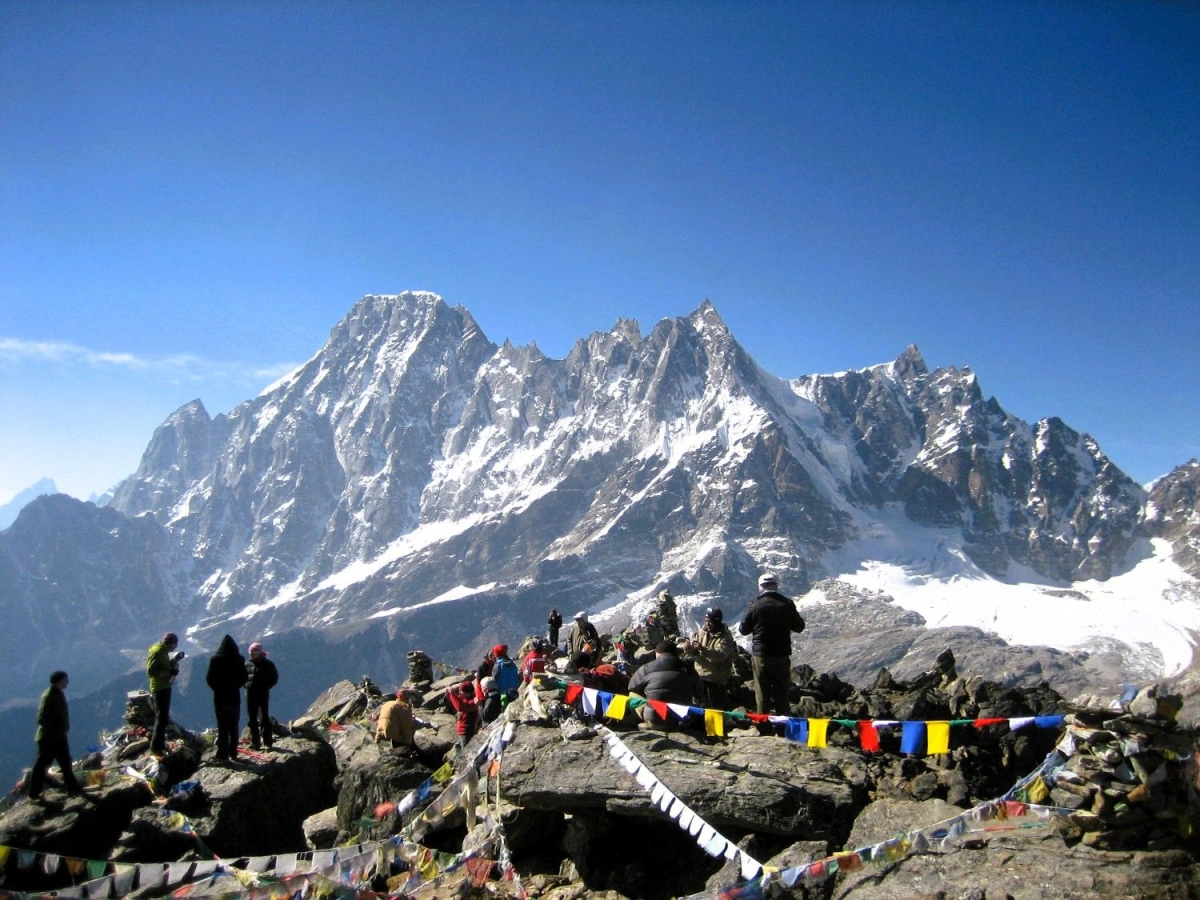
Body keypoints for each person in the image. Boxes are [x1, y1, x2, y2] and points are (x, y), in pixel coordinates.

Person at [739, 574, 805, 715]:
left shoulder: (754, 605)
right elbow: (799, 627)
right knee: (782, 692)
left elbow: (743, 630)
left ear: (760, 587)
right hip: (781, 655)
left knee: (762, 693)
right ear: (776, 586)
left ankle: (763, 724)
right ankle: (783, 723)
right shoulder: (786, 604)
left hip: (761, 656)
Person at [28, 671, 82, 799]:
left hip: (58, 736)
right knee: (43, 765)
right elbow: (41, 719)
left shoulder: (57, 693)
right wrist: (55, 730)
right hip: (49, 738)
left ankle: (73, 788)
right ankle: (34, 793)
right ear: (59, 681)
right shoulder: (48, 696)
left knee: (65, 762)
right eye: (65, 680)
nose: (67, 682)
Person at [627, 640, 700, 730]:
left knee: (632, 694)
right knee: (695, 697)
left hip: (655, 720)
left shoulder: (647, 668)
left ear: (658, 653)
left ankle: (646, 721)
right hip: (681, 721)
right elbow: (699, 690)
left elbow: (631, 687)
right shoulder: (688, 668)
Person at [206, 634, 248, 761]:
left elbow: (209, 679)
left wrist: (217, 688)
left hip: (220, 698)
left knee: (222, 726)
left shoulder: (215, 660)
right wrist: (235, 686)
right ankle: (233, 752)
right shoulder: (239, 659)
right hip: (234, 697)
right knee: (234, 726)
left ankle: (222, 753)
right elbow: (244, 677)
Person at [685, 607, 736, 710]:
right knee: (698, 707)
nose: (707, 624)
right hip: (699, 676)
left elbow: (720, 654)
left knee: (715, 709)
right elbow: (695, 652)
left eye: (710, 622)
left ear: (717, 622)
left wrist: (702, 649)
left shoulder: (725, 637)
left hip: (715, 679)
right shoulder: (701, 632)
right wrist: (689, 649)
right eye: (706, 621)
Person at [146, 632, 183, 756]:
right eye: (175, 644)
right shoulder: (158, 652)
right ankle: (156, 747)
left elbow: (162, 667)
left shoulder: (163, 651)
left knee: (163, 717)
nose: (176, 647)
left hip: (164, 686)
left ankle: (159, 744)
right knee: (161, 718)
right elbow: (151, 671)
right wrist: (169, 673)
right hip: (160, 687)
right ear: (171, 643)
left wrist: (173, 663)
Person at [245, 641, 279, 750]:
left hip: (262, 694)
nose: (251, 654)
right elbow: (242, 677)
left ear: (259, 652)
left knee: (263, 718)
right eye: (250, 653)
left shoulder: (268, 664)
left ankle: (267, 742)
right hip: (250, 695)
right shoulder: (247, 664)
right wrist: (245, 686)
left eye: (253, 653)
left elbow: (274, 678)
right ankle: (255, 742)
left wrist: (265, 687)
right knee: (252, 719)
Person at [446, 680, 479, 751]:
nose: (459, 693)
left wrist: (452, 693)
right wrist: (450, 691)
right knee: (459, 749)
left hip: (467, 731)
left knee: (465, 751)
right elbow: (452, 699)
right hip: (461, 731)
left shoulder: (473, 701)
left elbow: (459, 707)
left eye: (461, 692)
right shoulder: (464, 698)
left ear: (468, 693)